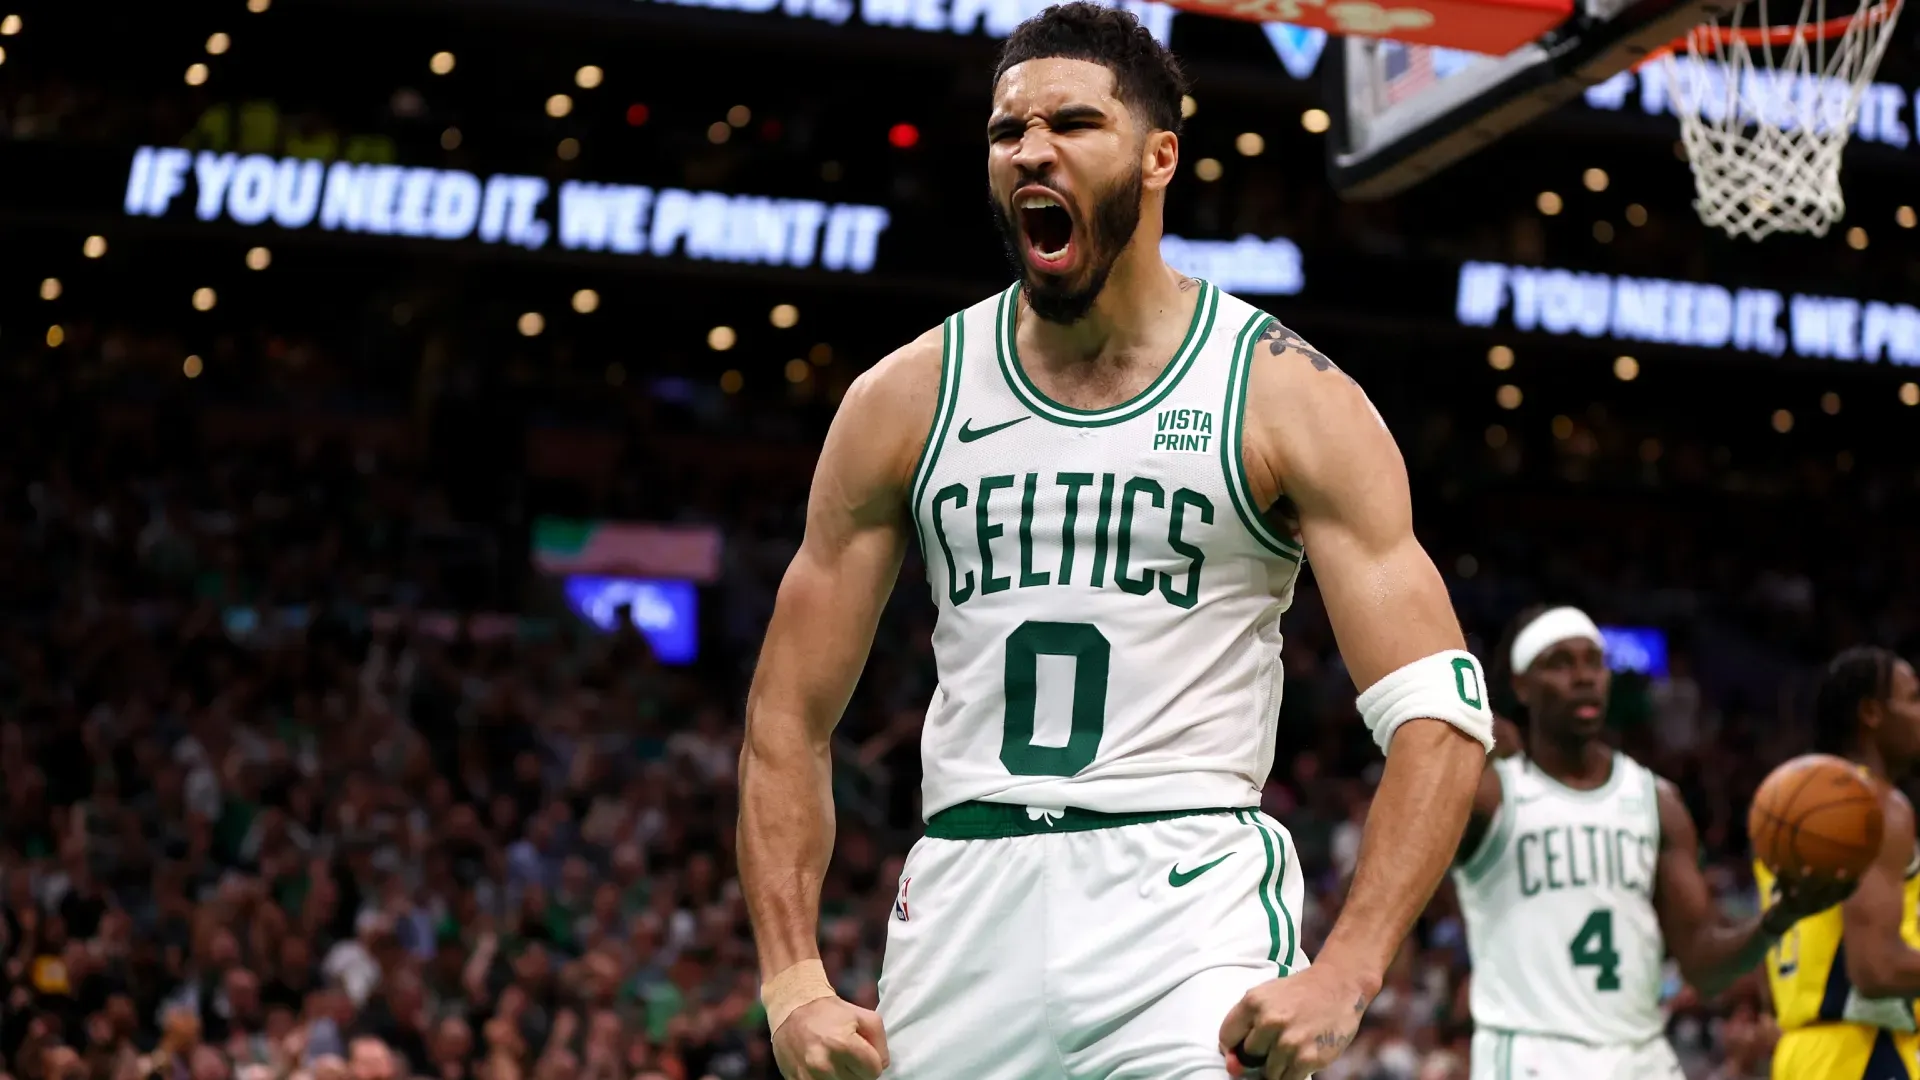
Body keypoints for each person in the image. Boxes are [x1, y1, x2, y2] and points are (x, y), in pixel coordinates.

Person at [736, 5, 1501, 1078]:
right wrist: (792, 983)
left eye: (1073, 122)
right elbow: (786, 718)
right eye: (1008, 132)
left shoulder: (1285, 394)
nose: (1032, 149)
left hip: (1184, 907)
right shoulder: (902, 400)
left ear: (1159, 156)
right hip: (962, 904)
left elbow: (1440, 713)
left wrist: (1349, 969)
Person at [1453, 606, 1851, 1080]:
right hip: (1530, 1056)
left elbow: (1703, 966)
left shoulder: (1656, 801)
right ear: (1521, 685)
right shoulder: (1492, 792)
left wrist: (1777, 918)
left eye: (1593, 662)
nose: (1582, 677)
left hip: (1639, 1057)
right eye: (1559, 663)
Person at [1758, 646, 1920, 1079]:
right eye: (1913, 699)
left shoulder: (1787, 803)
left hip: (1798, 1053)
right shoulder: (1875, 806)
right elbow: (1875, 968)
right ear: (1871, 713)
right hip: (1864, 1052)